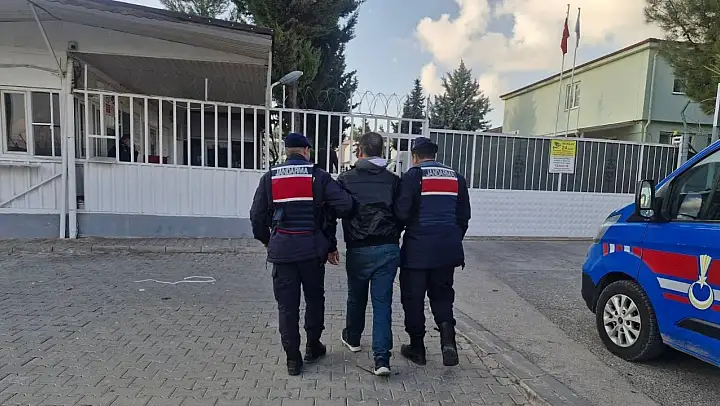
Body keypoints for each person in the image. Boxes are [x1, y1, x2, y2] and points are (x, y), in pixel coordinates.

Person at [249, 132, 354, 376]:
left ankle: (293, 359)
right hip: (311, 252)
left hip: (283, 252)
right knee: (314, 299)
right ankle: (313, 346)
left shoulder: (270, 177)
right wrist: (327, 229)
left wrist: (268, 240)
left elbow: (256, 216)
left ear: (287, 151)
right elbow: (346, 205)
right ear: (306, 151)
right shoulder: (319, 176)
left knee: (287, 307)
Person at [394, 137, 471, 367]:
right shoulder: (456, 177)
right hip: (446, 251)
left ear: (415, 157)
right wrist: (452, 239)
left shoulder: (413, 176)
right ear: (434, 155)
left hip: (417, 251)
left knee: (413, 298)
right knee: (442, 296)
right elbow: (463, 216)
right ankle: (448, 343)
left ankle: (417, 348)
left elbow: (402, 212)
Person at [336, 132, 402, 376]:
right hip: (388, 247)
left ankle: (353, 338)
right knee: (382, 302)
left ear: (360, 151)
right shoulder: (394, 180)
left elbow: (337, 209)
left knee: (356, 296)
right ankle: (382, 359)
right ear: (381, 151)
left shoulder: (346, 179)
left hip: (358, 248)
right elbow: (403, 212)